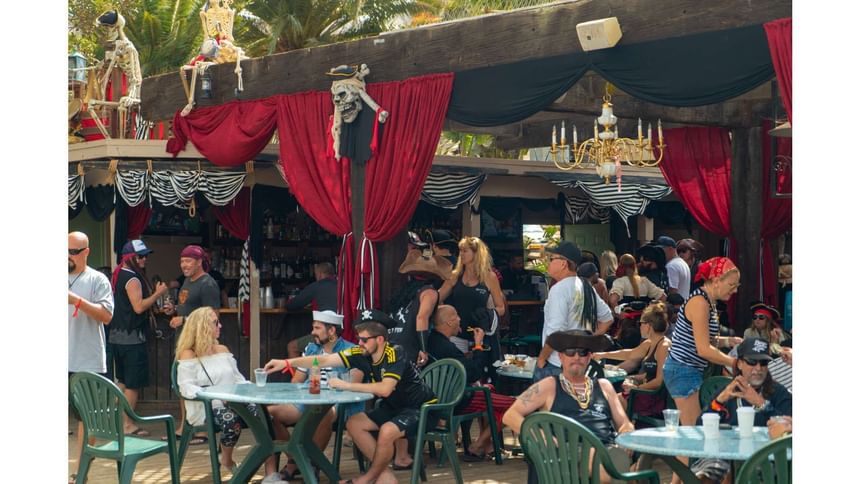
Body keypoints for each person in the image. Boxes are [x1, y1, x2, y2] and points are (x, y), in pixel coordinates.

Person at [264, 309, 437, 484]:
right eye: (358, 338)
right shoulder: (360, 353)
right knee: (354, 423)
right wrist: (286, 362)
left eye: (364, 339)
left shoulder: (394, 352)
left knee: (386, 431)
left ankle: (367, 478)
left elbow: (385, 389)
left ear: (379, 339)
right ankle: (385, 476)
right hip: (394, 408)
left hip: (422, 408)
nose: (359, 343)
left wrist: (346, 385)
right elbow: (322, 361)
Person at [503, 329, 634, 484]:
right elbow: (510, 415)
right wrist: (541, 435)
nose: (576, 357)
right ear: (560, 356)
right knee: (608, 462)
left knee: (634, 460)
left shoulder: (604, 385)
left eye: (583, 352)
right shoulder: (549, 385)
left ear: (589, 357)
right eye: (570, 351)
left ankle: (625, 472)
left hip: (607, 448)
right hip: (567, 453)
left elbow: (624, 422)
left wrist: (626, 432)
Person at [176, 307, 287, 484]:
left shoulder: (222, 349)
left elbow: (238, 380)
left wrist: (254, 391)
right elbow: (186, 388)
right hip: (206, 407)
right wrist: (216, 396)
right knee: (230, 420)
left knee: (266, 416)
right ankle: (226, 457)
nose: (220, 325)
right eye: (215, 322)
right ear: (202, 326)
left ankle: (271, 474)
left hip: (234, 401)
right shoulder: (188, 354)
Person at [662, 257, 742, 482]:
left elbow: (707, 340)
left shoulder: (708, 301)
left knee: (692, 435)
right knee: (694, 437)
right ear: (716, 280)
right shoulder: (700, 302)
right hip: (683, 370)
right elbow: (703, 349)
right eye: (732, 285)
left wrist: (729, 341)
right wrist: (733, 363)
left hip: (686, 370)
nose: (734, 290)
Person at [269, 310, 362, 480]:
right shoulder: (311, 349)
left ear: (332, 330)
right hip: (307, 397)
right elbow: (297, 381)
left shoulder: (351, 350)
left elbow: (354, 384)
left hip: (335, 402)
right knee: (272, 412)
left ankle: (311, 463)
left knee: (323, 411)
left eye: (317, 328)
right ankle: (295, 460)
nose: (312, 332)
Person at [692, 337, 792, 483]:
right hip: (724, 454)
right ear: (739, 363)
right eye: (752, 362)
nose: (758, 368)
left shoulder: (778, 392)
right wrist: (719, 401)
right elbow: (700, 426)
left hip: (764, 457)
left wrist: (760, 402)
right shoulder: (726, 392)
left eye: (763, 363)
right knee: (705, 474)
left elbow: (788, 431)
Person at [428, 305, 516, 462]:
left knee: (490, 390)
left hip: (439, 397)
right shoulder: (447, 347)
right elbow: (475, 372)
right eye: (456, 316)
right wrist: (478, 344)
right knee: (515, 406)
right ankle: (479, 445)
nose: (460, 319)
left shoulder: (432, 341)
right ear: (448, 322)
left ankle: (486, 445)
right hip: (457, 399)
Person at [68, 231, 115, 484]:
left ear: (86, 252)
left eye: (74, 251)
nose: (68, 256)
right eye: (65, 251)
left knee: (86, 419)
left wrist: (75, 300)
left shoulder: (98, 280)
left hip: (86, 358)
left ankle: (81, 472)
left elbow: (106, 316)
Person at [163, 244, 222, 443]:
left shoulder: (208, 283)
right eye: (182, 261)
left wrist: (184, 319)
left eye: (188, 261)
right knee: (184, 383)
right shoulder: (187, 281)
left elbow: (213, 315)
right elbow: (188, 307)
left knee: (199, 384)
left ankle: (203, 430)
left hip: (201, 342)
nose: (184, 265)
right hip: (184, 340)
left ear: (199, 262)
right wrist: (174, 310)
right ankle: (185, 426)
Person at [109, 239, 168, 436]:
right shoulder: (133, 279)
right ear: (130, 258)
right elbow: (139, 307)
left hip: (117, 336)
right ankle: (127, 425)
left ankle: (115, 422)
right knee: (132, 385)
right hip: (132, 338)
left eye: (145, 256)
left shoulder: (118, 274)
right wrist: (158, 293)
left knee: (123, 382)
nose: (144, 260)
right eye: (140, 256)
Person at [535, 241, 613, 382]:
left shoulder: (559, 289)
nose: (549, 263)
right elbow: (607, 318)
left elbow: (555, 332)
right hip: (580, 362)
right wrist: (586, 341)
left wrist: (541, 359)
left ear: (564, 263)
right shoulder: (586, 286)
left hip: (557, 363)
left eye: (552, 259)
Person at [593, 302, 672, 421]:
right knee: (605, 400)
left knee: (609, 403)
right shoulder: (650, 343)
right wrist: (632, 379)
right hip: (644, 393)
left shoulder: (664, 346)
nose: (639, 326)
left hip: (654, 398)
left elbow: (659, 381)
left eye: (641, 323)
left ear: (649, 325)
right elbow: (630, 354)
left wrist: (635, 389)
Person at [385, 247, 452, 367]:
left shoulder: (403, 292)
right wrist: (423, 349)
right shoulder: (429, 292)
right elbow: (421, 318)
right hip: (408, 346)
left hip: (390, 343)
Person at [439, 236, 506, 354]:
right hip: (457, 334)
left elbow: (501, 308)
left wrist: (488, 313)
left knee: (478, 369)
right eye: (460, 250)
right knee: (460, 367)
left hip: (480, 334)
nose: (461, 254)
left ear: (476, 254)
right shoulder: (454, 276)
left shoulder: (489, 277)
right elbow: (438, 298)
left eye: (465, 251)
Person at [657, 236, 691, 300]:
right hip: (684, 305)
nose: (659, 252)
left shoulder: (671, 266)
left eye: (661, 250)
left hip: (675, 307)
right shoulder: (682, 263)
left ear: (670, 249)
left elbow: (673, 292)